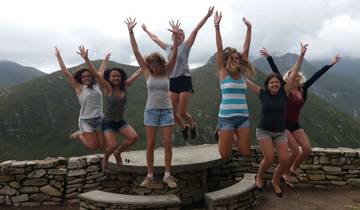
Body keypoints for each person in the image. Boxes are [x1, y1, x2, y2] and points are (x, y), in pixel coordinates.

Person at [260, 47, 341, 185]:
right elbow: (276, 72)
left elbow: (317, 75)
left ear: (300, 77)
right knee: (296, 151)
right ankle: (284, 173)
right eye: (293, 75)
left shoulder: (303, 89)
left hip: (295, 124)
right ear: (289, 78)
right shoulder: (285, 89)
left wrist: (331, 63)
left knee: (307, 149)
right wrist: (269, 57)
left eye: (297, 75)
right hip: (283, 124)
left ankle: (293, 167)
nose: (295, 77)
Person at [141, 7, 214, 141]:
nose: (179, 35)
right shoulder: (168, 47)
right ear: (173, 35)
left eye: (181, 34)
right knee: (173, 112)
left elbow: (196, 29)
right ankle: (184, 127)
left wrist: (207, 16)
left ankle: (192, 125)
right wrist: (146, 31)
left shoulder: (186, 46)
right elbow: (155, 38)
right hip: (172, 80)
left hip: (184, 79)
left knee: (181, 112)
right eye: (177, 33)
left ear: (183, 37)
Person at [245, 42, 308, 198]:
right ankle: (259, 176)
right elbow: (246, 81)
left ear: (281, 84)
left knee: (285, 159)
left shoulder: (284, 93)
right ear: (268, 85)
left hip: (280, 132)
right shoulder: (262, 93)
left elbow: (294, 73)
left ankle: (275, 181)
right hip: (264, 130)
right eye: (272, 82)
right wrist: (235, 67)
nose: (274, 84)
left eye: (277, 82)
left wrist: (301, 55)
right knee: (269, 157)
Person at [125, 17, 180, 188]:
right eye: (152, 64)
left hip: (166, 111)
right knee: (150, 144)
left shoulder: (167, 71)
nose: (155, 67)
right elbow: (135, 51)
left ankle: (167, 175)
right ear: (149, 64)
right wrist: (131, 32)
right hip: (151, 111)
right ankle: (149, 175)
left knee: (168, 144)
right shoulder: (147, 72)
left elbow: (175, 53)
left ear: (162, 64)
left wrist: (176, 38)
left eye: (157, 64)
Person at [77, 46, 143, 172]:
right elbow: (95, 73)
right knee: (112, 145)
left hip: (120, 121)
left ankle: (118, 152)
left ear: (121, 77)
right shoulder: (107, 87)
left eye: (118, 76)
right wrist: (86, 58)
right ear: (109, 78)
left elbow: (137, 73)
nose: (115, 78)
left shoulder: (125, 85)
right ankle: (106, 159)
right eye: (113, 76)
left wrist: (144, 64)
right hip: (107, 123)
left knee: (134, 138)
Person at [213, 11, 256, 159]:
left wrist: (249, 29)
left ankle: (228, 136)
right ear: (227, 60)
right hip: (226, 118)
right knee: (225, 155)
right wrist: (217, 27)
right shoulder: (223, 73)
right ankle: (222, 133)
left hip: (243, 117)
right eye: (233, 58)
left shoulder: (242, 72)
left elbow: (246, 48)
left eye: (238, 58)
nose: (237, 60)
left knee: (246, 152)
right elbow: (219, 49)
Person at [55, 47, 104, 151]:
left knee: (101, 146)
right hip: (86, 120)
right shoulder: (79, 88)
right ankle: (80, 135)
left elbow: (100, 72)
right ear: (80, 79)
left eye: (88, 76)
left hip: (99, 119)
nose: (86, 78)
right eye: (83, 77)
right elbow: (66, 72)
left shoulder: (96, 85)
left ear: (91, 77)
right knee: (93, 147)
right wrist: (58, 56)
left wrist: (105, 60)